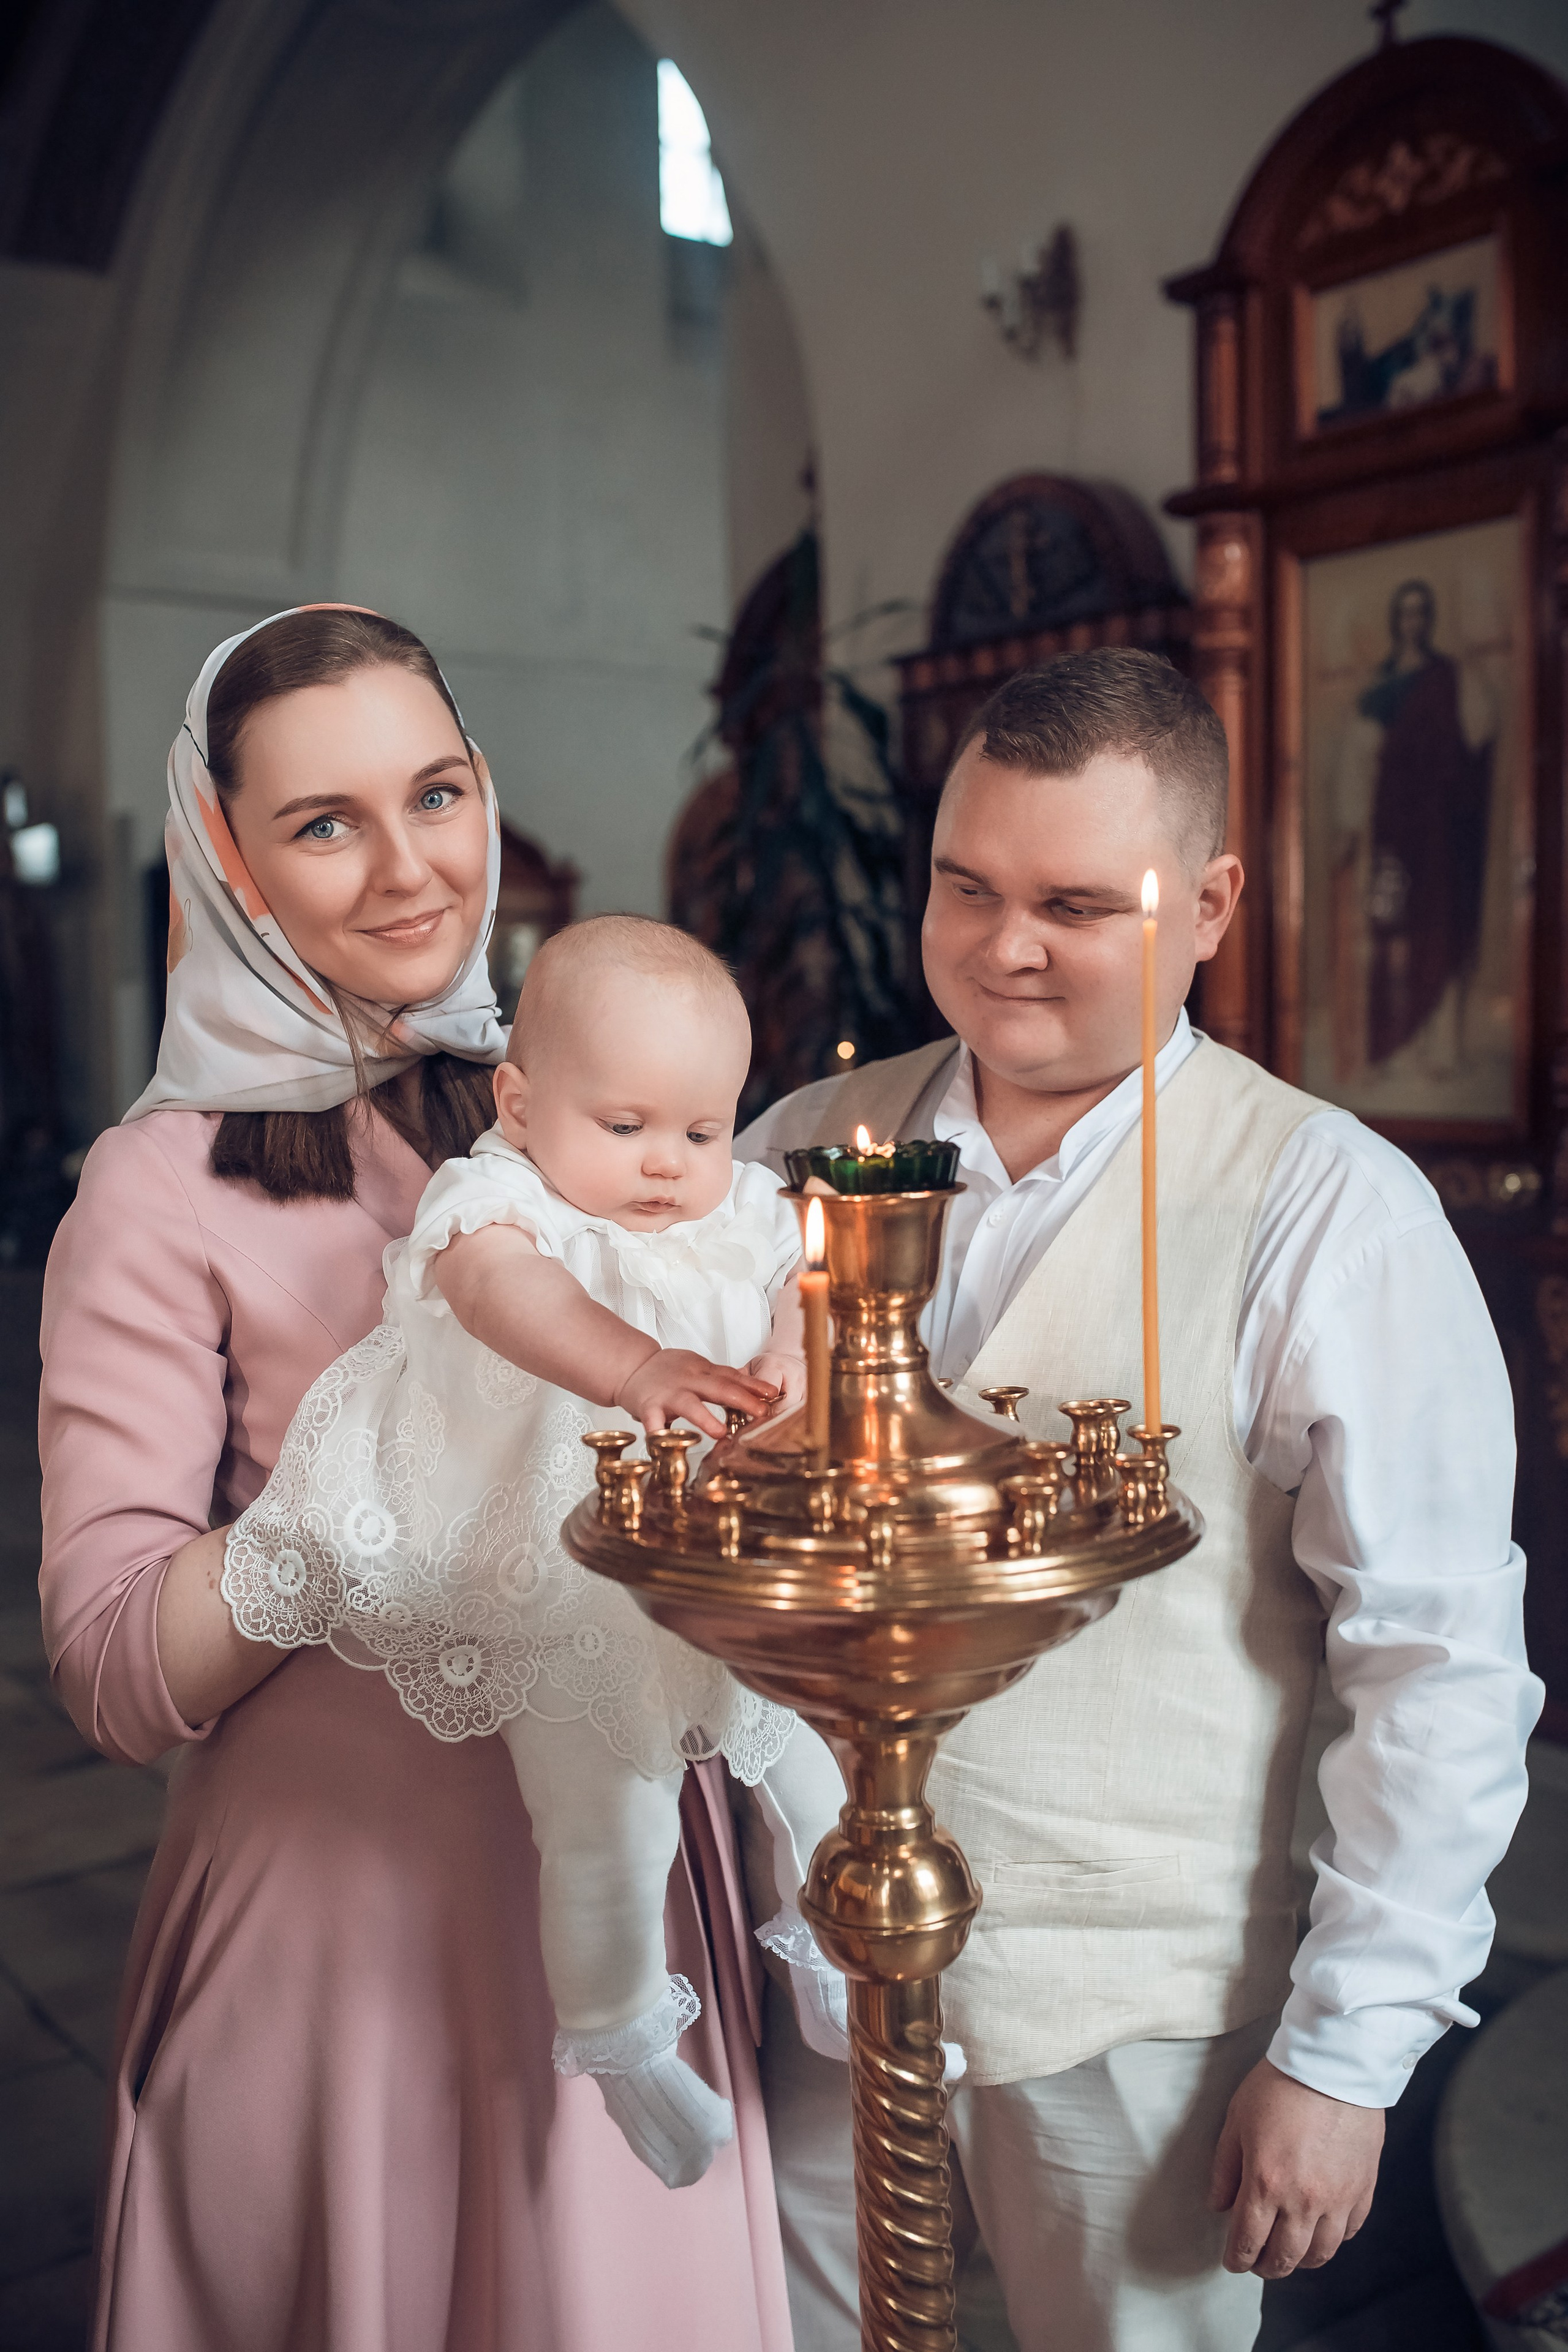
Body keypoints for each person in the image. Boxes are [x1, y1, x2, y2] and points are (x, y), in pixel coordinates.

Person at [737, 646, 1541, 2352]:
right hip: (805, 1986)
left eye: (1075, 902)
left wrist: (1343, 2051)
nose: (1002, 944)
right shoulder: (790, 1148)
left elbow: (1438, 1664)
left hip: (1140, 2022)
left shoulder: (1334, 1209)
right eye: (966, 883)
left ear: (1211, 903)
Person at [39, 608, 794, 2352]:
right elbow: (105, 1669)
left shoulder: (599, 1100)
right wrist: (327, 1539)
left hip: (618, 1886)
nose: (409, 869)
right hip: (345, 1918)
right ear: (221, 854)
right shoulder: (156, 1188)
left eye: (436, 793)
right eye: (324, 822)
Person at [222, 916, 850, 2190]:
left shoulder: (738, 1203)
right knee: (604, 1811)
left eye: (700, 1127)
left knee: (816, 1753)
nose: (670, 1167)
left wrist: (791, 1354)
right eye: (625, 1128)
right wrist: (634, 1364)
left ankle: (850, 1967)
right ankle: (619, 2038)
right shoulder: (495, 1194)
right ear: (519, 1098)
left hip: (719, 1555)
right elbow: (508, 1293)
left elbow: (814, 1275)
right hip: (554, 1563)